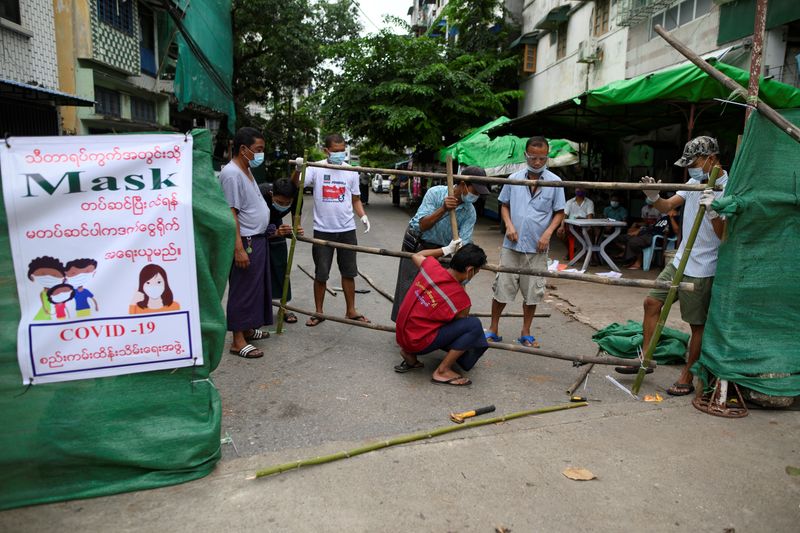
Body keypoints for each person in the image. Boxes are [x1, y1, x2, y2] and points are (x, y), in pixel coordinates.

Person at [616, 136, 728, 396]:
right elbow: (667, 205)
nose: (691, 169)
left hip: (704, 265)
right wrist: (653, 197)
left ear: (711, 158)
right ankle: (645, 358)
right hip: (680, 259)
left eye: (694, 163)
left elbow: (724, 234)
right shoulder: (694, 183)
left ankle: (688, 374)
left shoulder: (728, 187)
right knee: (651, 302)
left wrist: (713, 211)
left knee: (696, 324)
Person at [486, 136, 565, 348]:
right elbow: (504, 205)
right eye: (533, 158)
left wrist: (548, 233)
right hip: (512, 244)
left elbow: (559, 212)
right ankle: (493, 328)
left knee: (532, 292)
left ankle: (526, 332)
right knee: (502, 287)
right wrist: (509, 225)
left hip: (538, 247)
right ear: (525, 155)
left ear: (547, 156)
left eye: (542, 158)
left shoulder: (555, 182)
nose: (537, 162)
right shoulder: (514, 178)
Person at [390, 166, 490, 321]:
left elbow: (463, 244)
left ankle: (425, 327)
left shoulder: (470, 212)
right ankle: (403, 324)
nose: (476, 195)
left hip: (443, 251)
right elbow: (422, 225)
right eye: (475, 191)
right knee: (409, 287)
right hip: (418, 243)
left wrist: (463, 274)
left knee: (434, 294)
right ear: (463, 184)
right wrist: (443, 209)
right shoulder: (435, 193)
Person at [394, 240, 488, 386]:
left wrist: (446, 249)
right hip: (416, 342)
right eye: (477, 272)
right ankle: (442, 371)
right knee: (474, 326)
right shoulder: (461, 299)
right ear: (470, 270)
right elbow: (459, 324)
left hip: (401, 334)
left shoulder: (431, 267)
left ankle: (409, 353)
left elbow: (417, 255)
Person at [304, 133, 370, 326]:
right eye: (336, 151)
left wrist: (363, 216)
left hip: (347, 229)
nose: (340, 154)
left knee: (349, 272)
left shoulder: (351, 171)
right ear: (326, 151)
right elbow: (299, 183)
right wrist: (300, 168)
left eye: (342, 151)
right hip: (322, 229)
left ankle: (351, 310)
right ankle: (319, 312)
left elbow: (355, 199)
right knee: (321, 273)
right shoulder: (316, 167)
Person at [219, 127, 273, 359]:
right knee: (243, 290)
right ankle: (238, 340)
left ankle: (249, 329)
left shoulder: (246, 170)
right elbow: (231, 213)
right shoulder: (232, 174)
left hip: (257, 238)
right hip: (245, 241)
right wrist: (238, 248)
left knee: (255, 289)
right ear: (243, 149)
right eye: (258, 150)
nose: (261, 154)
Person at [264, 178, 304, 324]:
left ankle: (284, 307)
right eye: (280, 202)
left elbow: (296, 222)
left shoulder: (296, 198)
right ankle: (261, 307)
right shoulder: (261, 194)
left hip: (277, 225)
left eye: (287, 203)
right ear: (271, 194)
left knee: (281, 269)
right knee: (260, 271)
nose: (284, 206)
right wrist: (272, 232)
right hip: (257, 227)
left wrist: (296, 229)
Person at [27, 256, 65, 321]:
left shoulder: (58, 293)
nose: (48, 277)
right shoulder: (42, 293)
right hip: (45, 312)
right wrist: (44, 309)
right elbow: (43, 301)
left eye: (54, 275)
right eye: (43, 274)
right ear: (32, 277)